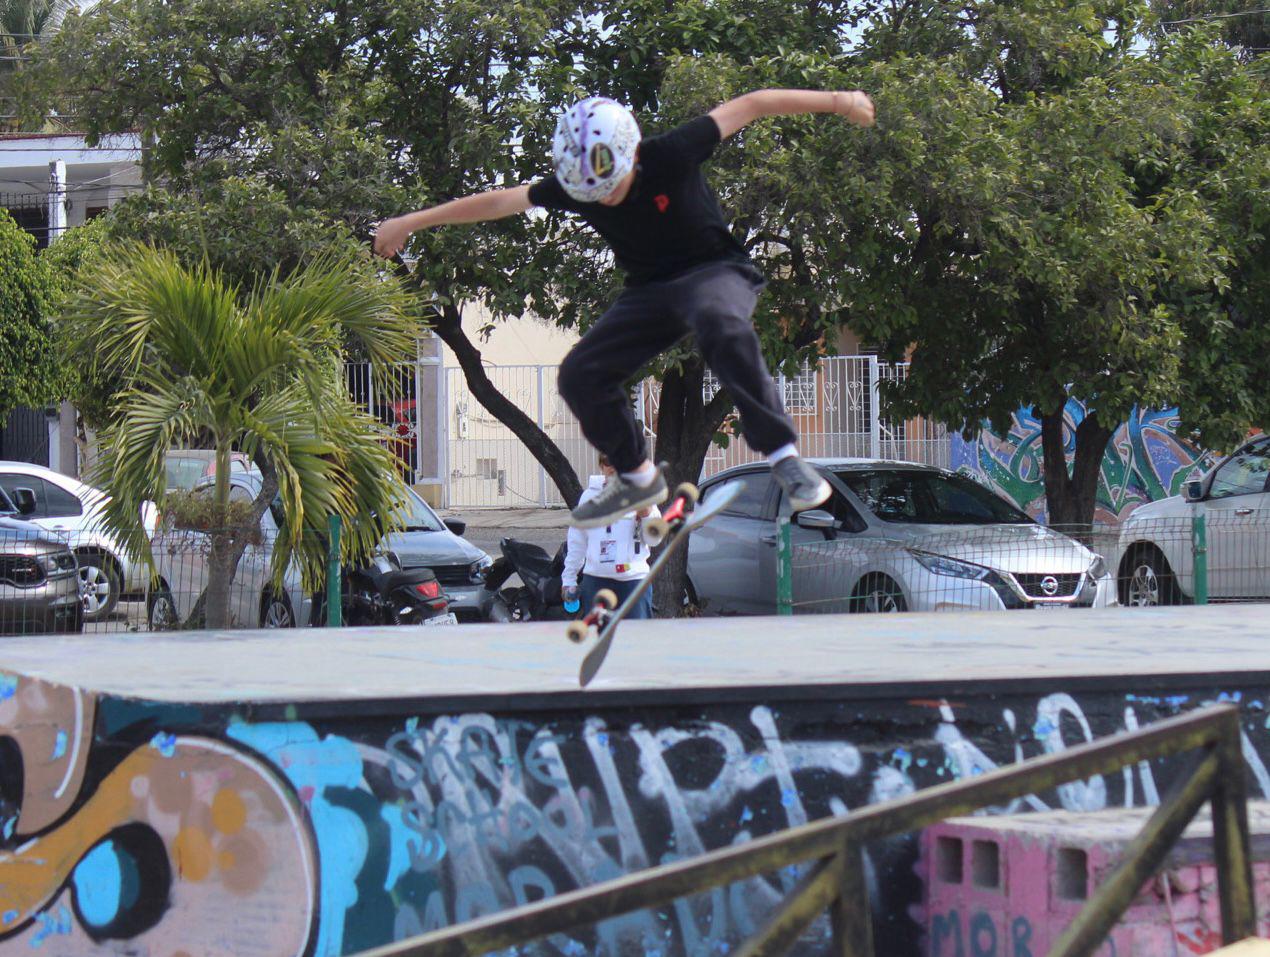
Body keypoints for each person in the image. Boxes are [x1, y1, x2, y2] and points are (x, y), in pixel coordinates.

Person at [375, 87, 876, 528]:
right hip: (649, 292)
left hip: (715, 272)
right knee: (580, 374)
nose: (606, 200)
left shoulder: (670, 153)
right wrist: (412, 221)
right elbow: (498, 202)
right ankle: (638, 477)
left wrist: (839, 102)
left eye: (612, 187)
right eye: (594, 195)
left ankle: (784, 457)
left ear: (631, 155)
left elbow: (753, 104)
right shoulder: (577, 187)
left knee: (719, 324)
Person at [560, 454, 659, 619]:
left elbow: (654, 540)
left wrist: (647, 515)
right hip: (596, 582)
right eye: (608, 461)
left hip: (634, 582)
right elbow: (577, 542)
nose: (614, 466)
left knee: (636, 634)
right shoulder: (588, 497)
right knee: (599, 634)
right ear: (601, 466)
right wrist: (569, 578)